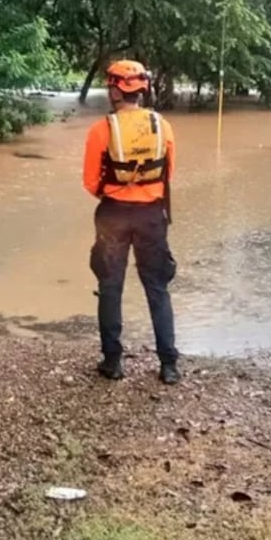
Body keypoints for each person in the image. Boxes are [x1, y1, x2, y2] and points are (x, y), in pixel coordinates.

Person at [82, 60, 180, 385]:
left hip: (113, 214)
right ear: (141, 90)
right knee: (157, 287)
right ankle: (168, 364)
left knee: (110, 287)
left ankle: (113, 362)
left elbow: (90, 181)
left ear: (115, 90)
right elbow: (168, 173)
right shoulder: (162, 126)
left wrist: (114, 193)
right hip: (151, 215)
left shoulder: (101, 130)